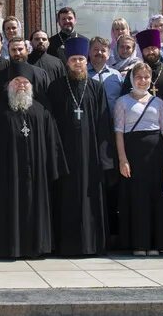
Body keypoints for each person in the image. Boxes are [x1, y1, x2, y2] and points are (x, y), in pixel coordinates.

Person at [47, 37, 115, 256]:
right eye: (74, 59)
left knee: (90, 197)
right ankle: (66, 245)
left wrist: (105, 157)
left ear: (86, 61)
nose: (78, 63)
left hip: (90, 154)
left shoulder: (96, 87)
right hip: (64, 154)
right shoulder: (56, 87)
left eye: (80, 59)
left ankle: (91, 244)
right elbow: (51, 123)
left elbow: (104, 122)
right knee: (66, 198)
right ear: (67, 62)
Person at [0, 73, 68, 258]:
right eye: (17, 82)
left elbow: (52, 142)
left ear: (31, 86)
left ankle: (37, 248)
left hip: (37, 174)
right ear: (9, 85)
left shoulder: (41, 111)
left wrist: (53, 168)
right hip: (9, 174)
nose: (21, 85)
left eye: (25, 82)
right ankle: (10, 248)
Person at [114, 62, 163, 256]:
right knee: (137, 198)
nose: (143, 81)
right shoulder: (122, 102)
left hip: (156, 154)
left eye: (146, 77)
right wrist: (122, 159)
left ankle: (156, 243)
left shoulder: (158, 102)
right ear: (132, 79)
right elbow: (118, 132)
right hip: (133, 153)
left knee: (156, 197)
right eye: (139, 77)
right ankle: (139, 243)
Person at [121, 29, 163, 111]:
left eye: (153, 48)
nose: (150, 51)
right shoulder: (133, 74)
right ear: (142, 51)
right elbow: (125, 101)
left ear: (159, 49)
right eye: (147, 49)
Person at [0, 36, 50, 105]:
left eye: (20, 49)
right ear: (9, 52)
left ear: (27, 50)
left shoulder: (41, 74)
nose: (17, 53)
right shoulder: (0, 76)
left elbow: (48, 98)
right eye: (13, 50)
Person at [88, 36, 123, 112]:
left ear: (108, 54)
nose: (99, 52)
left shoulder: (116, 75)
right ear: (89, 52)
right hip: (89, 121)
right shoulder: (83, 75)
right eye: (96, 49)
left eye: (103, 50)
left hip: (112, 121)